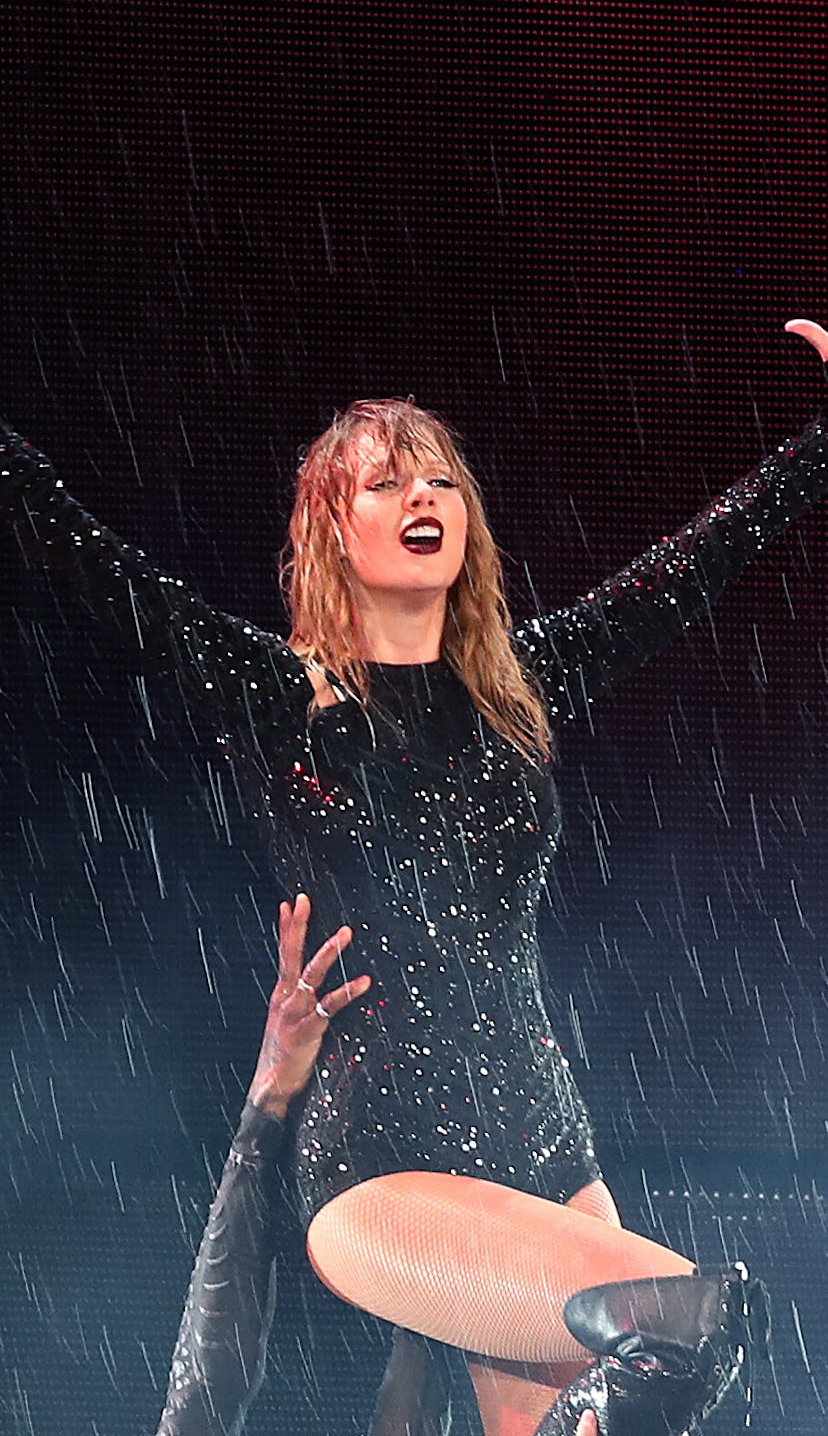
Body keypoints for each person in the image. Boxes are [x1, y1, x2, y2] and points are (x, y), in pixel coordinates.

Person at [2, 317, 826, 1435]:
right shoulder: (276, 692)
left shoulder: (518, 684)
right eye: (385, 482)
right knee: (687, 1320)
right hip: (384, 1153)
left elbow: (687, 569)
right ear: (330, 529)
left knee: (663, 1362)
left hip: (547, 1140)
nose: (422, 494)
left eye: (439, 476)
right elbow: (82, 554)